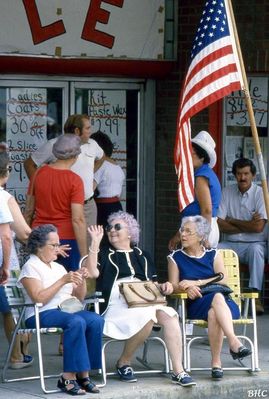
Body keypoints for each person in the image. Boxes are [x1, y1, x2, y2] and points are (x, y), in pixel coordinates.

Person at [81, 211, 196, 387]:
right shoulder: (104, 253)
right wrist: (95, 244)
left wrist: (164, 287)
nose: (112, 230)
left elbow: (152, 283)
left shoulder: (143, 255)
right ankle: (124, 362)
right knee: (148, 317)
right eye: (109, 227)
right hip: (115, 303)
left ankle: (178, 371)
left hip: (143, 300)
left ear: (130, 232)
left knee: (171, 316)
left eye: (117, 227)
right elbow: (93, 273)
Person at [17, 224, 104, 395]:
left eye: (58, 244)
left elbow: (79, 297)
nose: (58, 248)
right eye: (54, 245)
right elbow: (38, 298)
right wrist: (62, 281)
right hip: (40, 313)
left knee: (95, 320)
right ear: (39, 246)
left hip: (66, 310)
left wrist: (81, 279)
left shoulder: (58, 267)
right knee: (76, 321)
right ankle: (67, 377)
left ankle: (84, 374)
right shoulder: (31, 266)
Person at [168, 215, 252, 379]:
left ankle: (216, 363)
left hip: (225, 307)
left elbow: (223, 279)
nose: (182, 235)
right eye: (182, 230)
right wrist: (185, 288)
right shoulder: (175, 257)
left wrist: (197, 282)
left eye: (188, 231)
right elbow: (173, 285)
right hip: (196, 304)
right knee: (217, 298)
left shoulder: (214, 254)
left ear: (200, 236)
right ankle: (234, 342)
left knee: (215, 308)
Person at [24, 114, 104, 228]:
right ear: (77, 130)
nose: (91, 131)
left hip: (87, 205)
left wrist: (91, 175)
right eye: (88, 128)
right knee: (61, 242)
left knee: (89, 244)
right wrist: (42, 188)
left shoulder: (93, 144)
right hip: (60, 207)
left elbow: (101, 158)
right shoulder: (54, 145)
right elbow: (29, 164)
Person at [27, 134, 87, 272]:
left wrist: (27, 239)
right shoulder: (75, 180)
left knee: (40, 280)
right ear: (76, 156)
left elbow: (29, 210)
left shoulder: (39, 173)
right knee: (69, 285)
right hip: (67, 239)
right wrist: (84, 255)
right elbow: (78, 219)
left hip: (40, 236)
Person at [217, 158, 268, 315]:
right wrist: (247, 225)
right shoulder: (227, 192)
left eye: (246, 173)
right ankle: (220, 295)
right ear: (235, 175)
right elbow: (219, 223)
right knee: (214, 250)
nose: (243, 177)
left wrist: (231, 220)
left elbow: (259, 227)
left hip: (254, 244)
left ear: (253, 175)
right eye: (239, 174)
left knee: (257, 251)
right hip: (230, 243)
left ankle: (255, 297)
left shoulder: (260, 193)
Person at [0, 147, 33, 369]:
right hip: (5, 261)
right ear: (7, 172)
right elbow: (20, 234)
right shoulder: (5, 197)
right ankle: (16, 356)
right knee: (12, 307)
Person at [169, 131, 221, 250]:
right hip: (199, 225)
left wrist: (203, 235)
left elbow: (207, 210)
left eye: (191, 154)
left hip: (200, 227)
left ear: (202, 157)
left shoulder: (201, 176)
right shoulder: (206, 173)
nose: (187, 158)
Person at [91, 131, 125, 227]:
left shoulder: (100, 165)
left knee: (101, 239)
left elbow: (89, 191)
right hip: (117, 206)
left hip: (102, 208)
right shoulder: (117, 166)